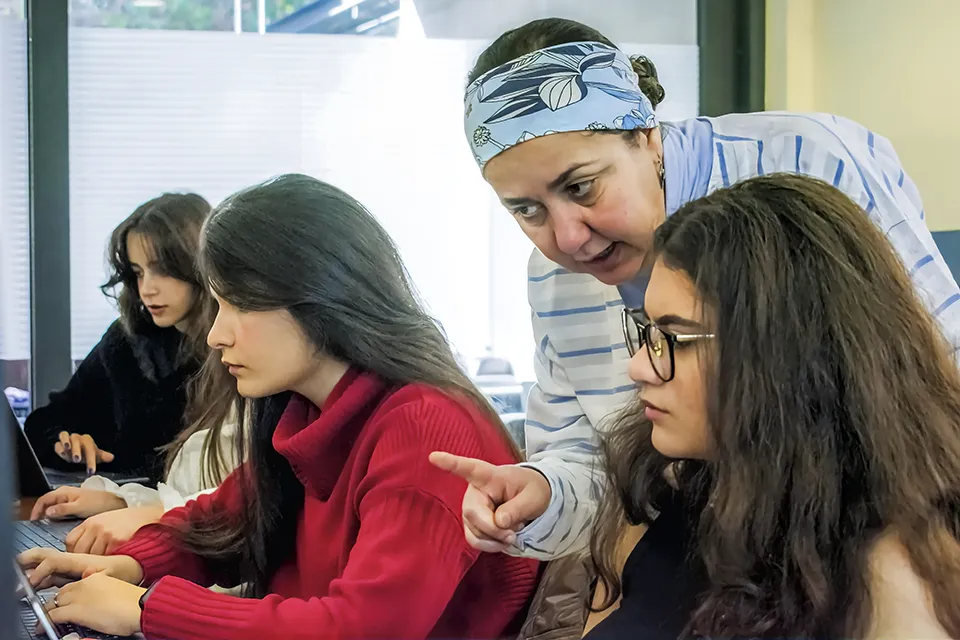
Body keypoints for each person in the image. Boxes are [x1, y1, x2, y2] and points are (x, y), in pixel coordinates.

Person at [430, 17, 960, 560]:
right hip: (704, 558)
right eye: (528, 210)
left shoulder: (805, 160)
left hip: (871, 533)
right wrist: (540, 496)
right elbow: (593, 466)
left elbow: (940, 368)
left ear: (646, 135)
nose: (567, 237)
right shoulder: (552, 280)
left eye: (582, 187)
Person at [20, 174, 540, 639]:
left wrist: (146, 609)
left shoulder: (426, 428)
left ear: (321, 296)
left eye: (237, 305)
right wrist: (126, 567)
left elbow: (365, 628)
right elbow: (223, 522)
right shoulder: (308, 413)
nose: (217, 335)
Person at [581, 174, 960, 638]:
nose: (639, 366)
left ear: (785, 355)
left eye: (674, 338)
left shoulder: (891, 575)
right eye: (648, 331)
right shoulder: (667, 483)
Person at [24, 193, 216, 484]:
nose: (147, 289)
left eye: (162, 270)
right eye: (138, 273)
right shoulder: (127, 339)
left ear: (197, 266)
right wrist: (65, 444)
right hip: (114, 511)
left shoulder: (232, 348)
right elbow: (44, 422)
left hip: (184, 519)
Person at [28, 353, 241, 555]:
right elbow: (48, 420)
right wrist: (119, 501)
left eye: (242, 311)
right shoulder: (123, 340)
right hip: (158, 534)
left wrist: (158, 515)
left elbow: (238, 522)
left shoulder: (238, 378)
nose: (217, 334)